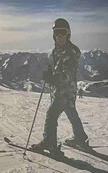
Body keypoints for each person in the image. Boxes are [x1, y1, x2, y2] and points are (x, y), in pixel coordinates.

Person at [31, 17, 90, 155]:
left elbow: (66, 75)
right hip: (65, 91)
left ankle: (49, 143)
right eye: (57, 33)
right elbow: (58, 68)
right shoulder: (57, 51)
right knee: (71, 113)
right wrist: (50, 71)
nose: (60, 36)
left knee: (51, 115)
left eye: (63, 32)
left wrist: (51, 78)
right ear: (53, 35)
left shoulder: (70, 52)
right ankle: (80, 138)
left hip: (64, 91)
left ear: (68, 33)